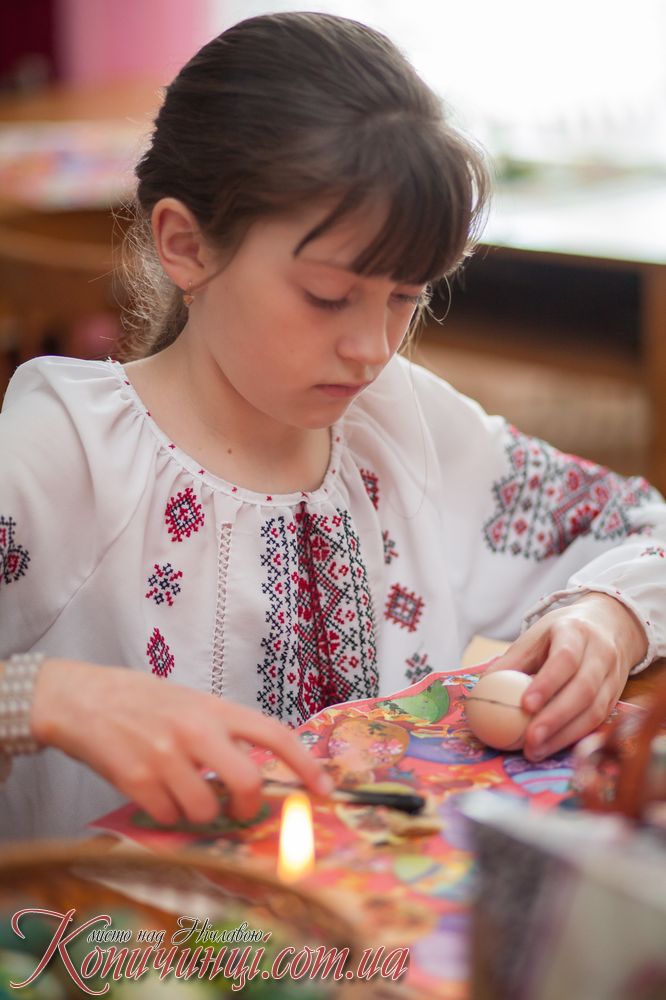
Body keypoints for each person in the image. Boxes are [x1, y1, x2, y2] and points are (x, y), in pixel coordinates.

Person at [0, 11, 664, 841]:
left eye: (405, 298)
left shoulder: (404, 429)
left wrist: (608, 618)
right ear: (186, 245)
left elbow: (643, 527)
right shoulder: (67, 454)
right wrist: (38, 696)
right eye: (327, 297)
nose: (372, 349)